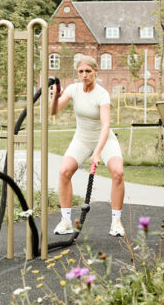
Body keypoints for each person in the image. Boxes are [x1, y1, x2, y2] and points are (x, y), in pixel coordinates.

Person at [50, 55, 125, 236]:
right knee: (64, 172)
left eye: (88, 71)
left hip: (104, 139)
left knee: (118, 173)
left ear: (95, 72)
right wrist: (55, 97)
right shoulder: (73, 89)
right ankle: (66, 220)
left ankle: (116, 222)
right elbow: (53, 112)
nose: (84, 75)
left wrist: (97, 152)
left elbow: (105, 125)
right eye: (81, 71)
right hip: (82, 139)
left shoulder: (102, 94)